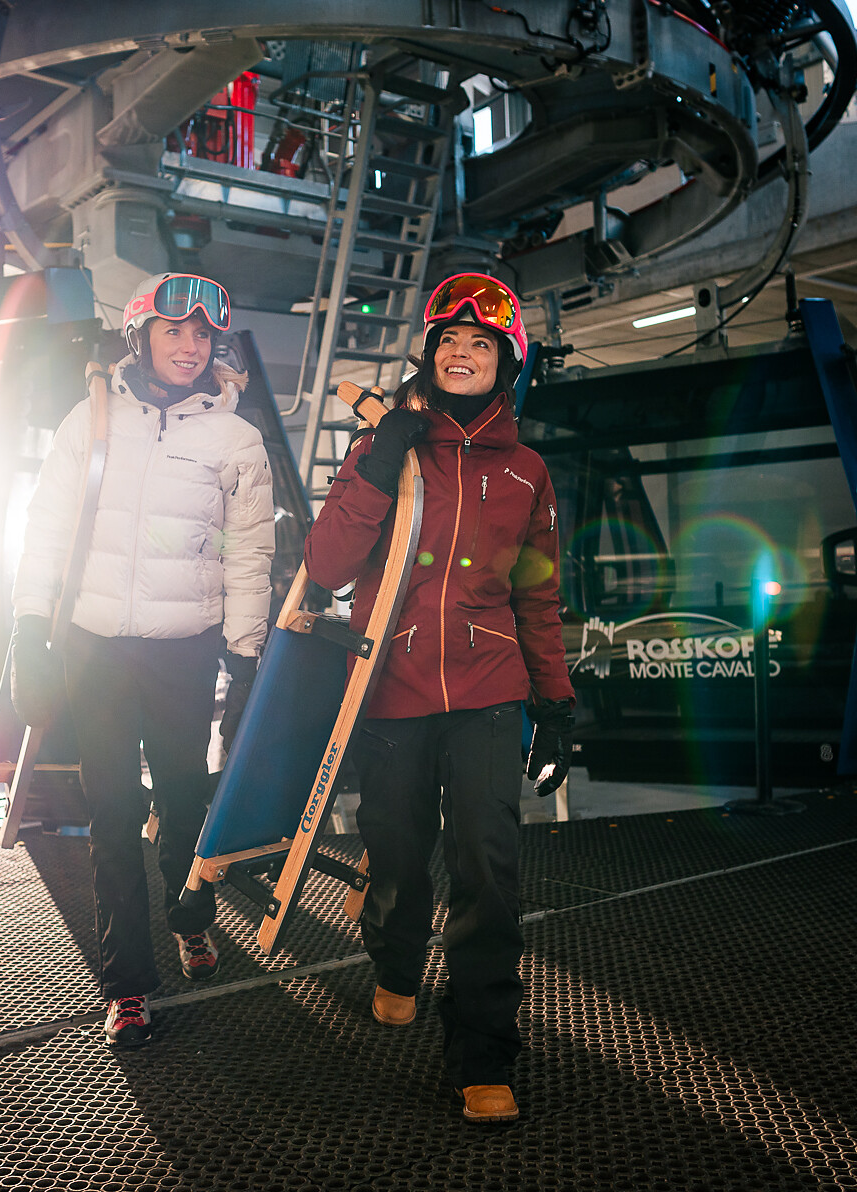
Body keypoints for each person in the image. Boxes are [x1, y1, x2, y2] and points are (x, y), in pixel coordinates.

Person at [304, 272, 575, 1122]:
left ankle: (483, 1055)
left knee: (488, 870)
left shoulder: (529, 471)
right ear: (429, 355)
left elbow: (538, 596)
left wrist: (557, 704)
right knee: (395, 849)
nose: (463, 353)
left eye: (482, 343)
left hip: (492, 692)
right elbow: (326, 566)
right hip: (392, 685)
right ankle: (393, 959)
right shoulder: (386, 449)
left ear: (507, 365)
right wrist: (380, 462)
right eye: (450, 341)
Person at [11, 272, 274, 1048]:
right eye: (174, 331)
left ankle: (191, 915)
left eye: (203, 335)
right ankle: (126, 983)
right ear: (141, 337)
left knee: (186, 802)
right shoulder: (88, 421)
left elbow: (249, 553)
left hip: (183, 652)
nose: (191, 347)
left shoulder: (236, 439)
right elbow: (47, 531)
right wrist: (29, 629)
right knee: (115, 816)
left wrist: (245, 649)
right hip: (94, 648)